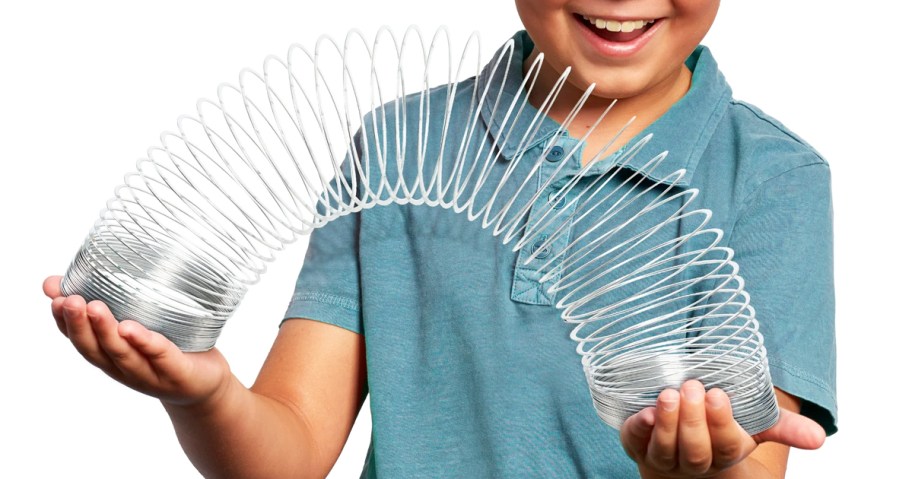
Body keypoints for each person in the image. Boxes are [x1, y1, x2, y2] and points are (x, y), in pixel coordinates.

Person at [43, 0, 837, 477]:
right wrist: (202, 393)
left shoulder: (773, 179)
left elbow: (751, 462)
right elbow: (287, 451)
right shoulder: (401, 146)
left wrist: (690, 467)